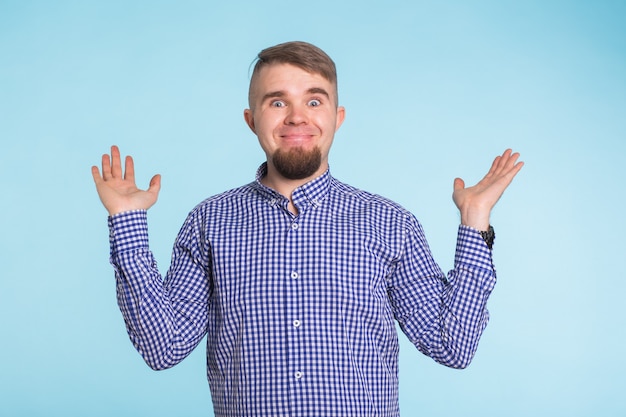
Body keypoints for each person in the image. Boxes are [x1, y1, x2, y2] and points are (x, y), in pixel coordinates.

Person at [92, 41, 523, 417]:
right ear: (251, 119)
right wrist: (127, 224)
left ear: (337, 117)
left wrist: (475, 221)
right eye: (277, 102)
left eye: (314, 102)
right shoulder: (209, 222)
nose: (297, 117)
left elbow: (452, 345)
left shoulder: (391, 223)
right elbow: (163, 347)